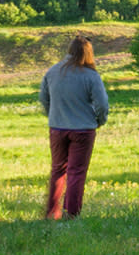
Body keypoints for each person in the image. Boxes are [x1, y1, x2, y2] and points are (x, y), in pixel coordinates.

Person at [39, 36, 109, 219]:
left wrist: (53, 115)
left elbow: (43, 99)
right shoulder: (91, 75)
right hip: (83, 129)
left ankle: (51, 212)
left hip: (57, 127)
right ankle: (71, 212)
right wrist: (99, 121)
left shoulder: (53, 71)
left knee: (57, 170)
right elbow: (102, 104)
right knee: (76, 172)